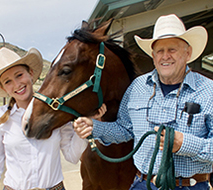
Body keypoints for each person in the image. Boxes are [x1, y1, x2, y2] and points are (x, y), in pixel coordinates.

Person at [73, 14, 213, 190]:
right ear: (153, 56)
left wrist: (183, 144)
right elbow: (124, 129)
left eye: (172, 49)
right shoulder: (138, 87)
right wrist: (94, 127)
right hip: (142, 184)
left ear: (188, 53)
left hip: (188, 186)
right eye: (160, 51)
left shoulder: (209, 91)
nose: (165, 56)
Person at [0, 47, 105, 190]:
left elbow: (72, 156)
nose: (17, 84)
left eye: (19, 75)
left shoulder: (55, 111)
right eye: (8, 81)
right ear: (3, 89)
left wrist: (83, 128)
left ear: (31, 74)